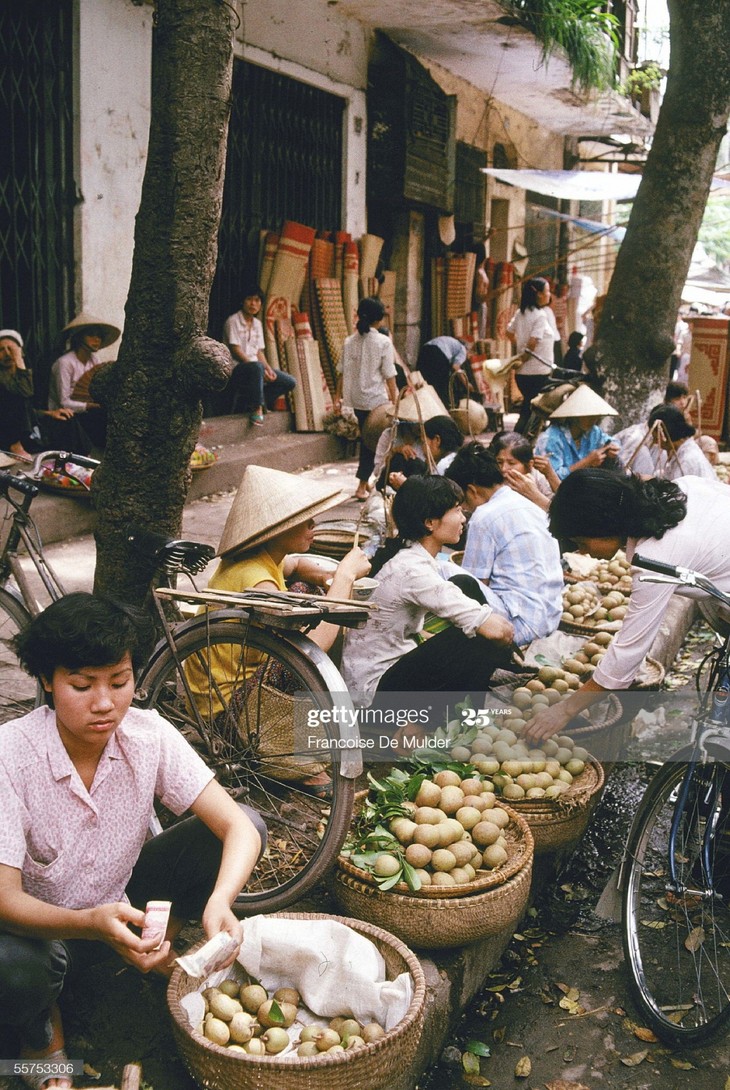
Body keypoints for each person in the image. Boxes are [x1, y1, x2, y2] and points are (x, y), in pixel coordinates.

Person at [0, 594, 265, 1088]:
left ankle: (151, 947)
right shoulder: (10, 755)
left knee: (243, 826)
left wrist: (221, 902)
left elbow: (240, 828)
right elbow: (4, 899)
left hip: (114, 912)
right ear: (47, 681)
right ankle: (38, 1039)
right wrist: (90, 925)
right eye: (81, 685)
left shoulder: (147, 735)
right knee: (16, 965)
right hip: (40, 932)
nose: (105, 703)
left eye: (119, 683)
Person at [186, 465, 370, 793]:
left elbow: (297, 565)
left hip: (230, 687)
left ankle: (296, 736)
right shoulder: (256, 577)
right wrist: (343, 577)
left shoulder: (261, 559)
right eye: (305, 519)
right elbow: (313, 650)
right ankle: (292, 759)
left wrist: (323, 579)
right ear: (277, 528)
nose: (314, 524)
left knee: (305, 591)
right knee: (304, 648)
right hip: (226, 706)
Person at [524, 470, 730, 742]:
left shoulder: (654, 559)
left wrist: (565, 710)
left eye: (580, 542)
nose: (581, 552)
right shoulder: (679, 490)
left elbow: (629, 650)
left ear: (604, 526)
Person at [340, 475, 514, 710]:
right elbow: (496, 631)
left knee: (464, 584)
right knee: (476, 638)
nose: (463, 518)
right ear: (430, 522)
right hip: (373, 692)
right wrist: (500, 633)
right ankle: (459, 715)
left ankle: (474, 694)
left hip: (393, 665)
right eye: (456, 510)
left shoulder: (412, 556)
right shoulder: (413, 571)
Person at [446, 444, 563, 646]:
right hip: (549, 617)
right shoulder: (528, 504)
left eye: (462, 503)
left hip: (518, 626)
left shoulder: (484, 516)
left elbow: (473, 585)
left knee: (443, 571)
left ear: (472, 490)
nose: (464, 510)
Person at [334, 297, 397, 501]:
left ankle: (369, 483)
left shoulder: (349, 341)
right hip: (375, 401)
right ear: (379, 319)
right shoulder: (383, 342)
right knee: (374, 443)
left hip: (357, 400)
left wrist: (337, 397)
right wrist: (396, 401)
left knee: (370, 440)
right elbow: (389, 374)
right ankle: (363, 485)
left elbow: (340, 372)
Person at [0, 330, 94, 459]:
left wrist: (50, 413)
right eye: (2, 350)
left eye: (11, 349)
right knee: (18, 398)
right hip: (9, 434)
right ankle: (16, 446)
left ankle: (84, 459)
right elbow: (24, 395)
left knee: (66, 419)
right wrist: (19, 361)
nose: (7, 353)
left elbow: (27, 411)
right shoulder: (7, 379)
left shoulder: (24, 375)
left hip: (30, 428)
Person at [223, 287, 297, 427]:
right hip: (236, 369)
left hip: (256, 369)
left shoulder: (257, 324)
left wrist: (268, 369)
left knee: (289, 381)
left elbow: (259, 352)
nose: (253, 304)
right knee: (256, 367)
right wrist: (258, 368)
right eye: (249, 299)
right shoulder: (232, 321)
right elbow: (235, 349)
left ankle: (255, 402)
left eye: (257, 300)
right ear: (242, 302)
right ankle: (257, 408)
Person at [49, 314, 119, 449]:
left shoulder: (95, 361)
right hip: (65, 415)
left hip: (88, 413)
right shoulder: (65, 363)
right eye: (91, 335)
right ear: (79, 337)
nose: (96, 340)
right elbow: (63, 402)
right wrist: (89, 406)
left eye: (99, 336)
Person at [506, 278, 560, 434]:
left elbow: (509, 333)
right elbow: (531, 345)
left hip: (523, 374)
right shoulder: (540, 316)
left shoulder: (521, 313)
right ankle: (516, 441)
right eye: (547, 291)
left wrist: (519, 352)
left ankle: (525, 439)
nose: (549, 295)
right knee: (529, 411)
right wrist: (521, 357)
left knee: (529, 409)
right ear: (539, 294)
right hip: (537, 373)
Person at [535, 384, 621, 481]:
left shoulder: (593, 432)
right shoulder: (552, 439)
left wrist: (611, 448)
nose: (592, 420)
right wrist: (587, 462)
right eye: (587, 415)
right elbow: (553, 477)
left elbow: (612, 441)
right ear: (573, 415)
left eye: (595, 415)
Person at [489, 430, 559, 511]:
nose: (503, 468)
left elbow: (557, 509)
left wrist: (534, 495)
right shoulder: (494, 479)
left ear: (529, 465)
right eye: (499, 462)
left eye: (511, 463)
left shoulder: (538, 478)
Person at [648, 404, 716, 481]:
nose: (655, 442)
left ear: (666, 435)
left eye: (656, 438)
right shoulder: (680, 452)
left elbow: (676, 488)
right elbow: (668, 475)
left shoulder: (687, 460)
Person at [413, 335, 469, 411]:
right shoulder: (463, 349)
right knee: (441, 387)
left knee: (423, 382)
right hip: (438, 354)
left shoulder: (449, 341)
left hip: (424, 351)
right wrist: (466, 384)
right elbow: (456, 367)